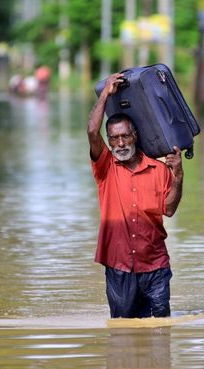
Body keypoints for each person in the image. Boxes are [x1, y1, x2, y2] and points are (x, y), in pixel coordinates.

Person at [87, 72, 184, 319]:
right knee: (122, 332)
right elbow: (91, 132)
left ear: (135, 136)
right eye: (114, 138)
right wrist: (106, 94)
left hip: (155, 266)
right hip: (119, 267)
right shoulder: (105, 167)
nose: (119, 143)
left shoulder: (159, 169)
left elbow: (169, 209)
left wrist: (178, 176)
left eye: (124, 136)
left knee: (161, 328)